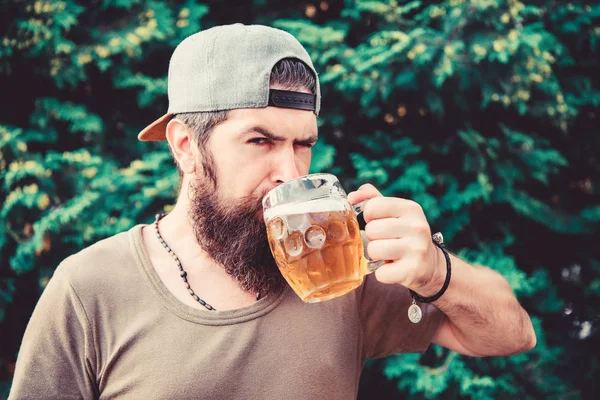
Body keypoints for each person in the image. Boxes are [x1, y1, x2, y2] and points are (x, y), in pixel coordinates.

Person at [9, 24, 536, 399]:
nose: (290, 171)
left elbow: (512, 334)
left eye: (302, 144)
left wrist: (437, 271)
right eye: (260, 140)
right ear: (185, 145)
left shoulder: (339, 267)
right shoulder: (89, 288)